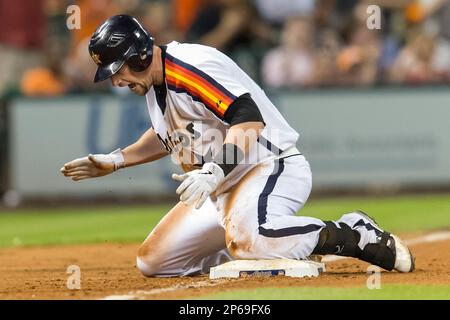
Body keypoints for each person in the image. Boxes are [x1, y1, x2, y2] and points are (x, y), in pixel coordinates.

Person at [60, 15, 415, 277]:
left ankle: (354, 232)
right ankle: (267, 246)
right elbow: (168, 136)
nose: (117, 80)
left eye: (118, 69)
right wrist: (116, 159)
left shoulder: (189, 66)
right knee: (154, 262)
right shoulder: (155, 83)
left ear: (139, 55)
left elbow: (248, 118)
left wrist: (214, 171)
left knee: (249, 240)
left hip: (270, 166)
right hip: (222, 188)